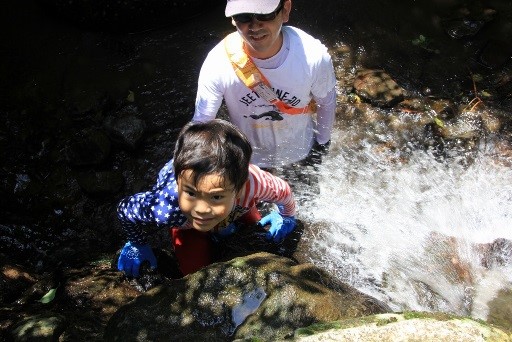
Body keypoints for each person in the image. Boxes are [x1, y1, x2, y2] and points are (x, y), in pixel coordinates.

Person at [116, 119, 297, 277]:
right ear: (179, 184)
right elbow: (125, 209)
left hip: (234, 203)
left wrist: (286, 216)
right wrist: (137, 243)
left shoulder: (255, 184)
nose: (201, 208)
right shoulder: (167, 207)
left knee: (258, 232)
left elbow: (284, 192)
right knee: (194, 274)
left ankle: (225, 223)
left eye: (216, 196)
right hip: (186, 222)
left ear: (240, 189)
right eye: (191, 194)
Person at [193, 0, 337, 169]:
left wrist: (322, 144)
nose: (254, 26)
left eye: (264, 14)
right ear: (233, 18)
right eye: (243, 16)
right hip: (248, 161)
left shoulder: (312, 56)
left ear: (285, 10)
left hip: (301, 151)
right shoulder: (218, 63)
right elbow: (202, 124)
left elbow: (326, 104)